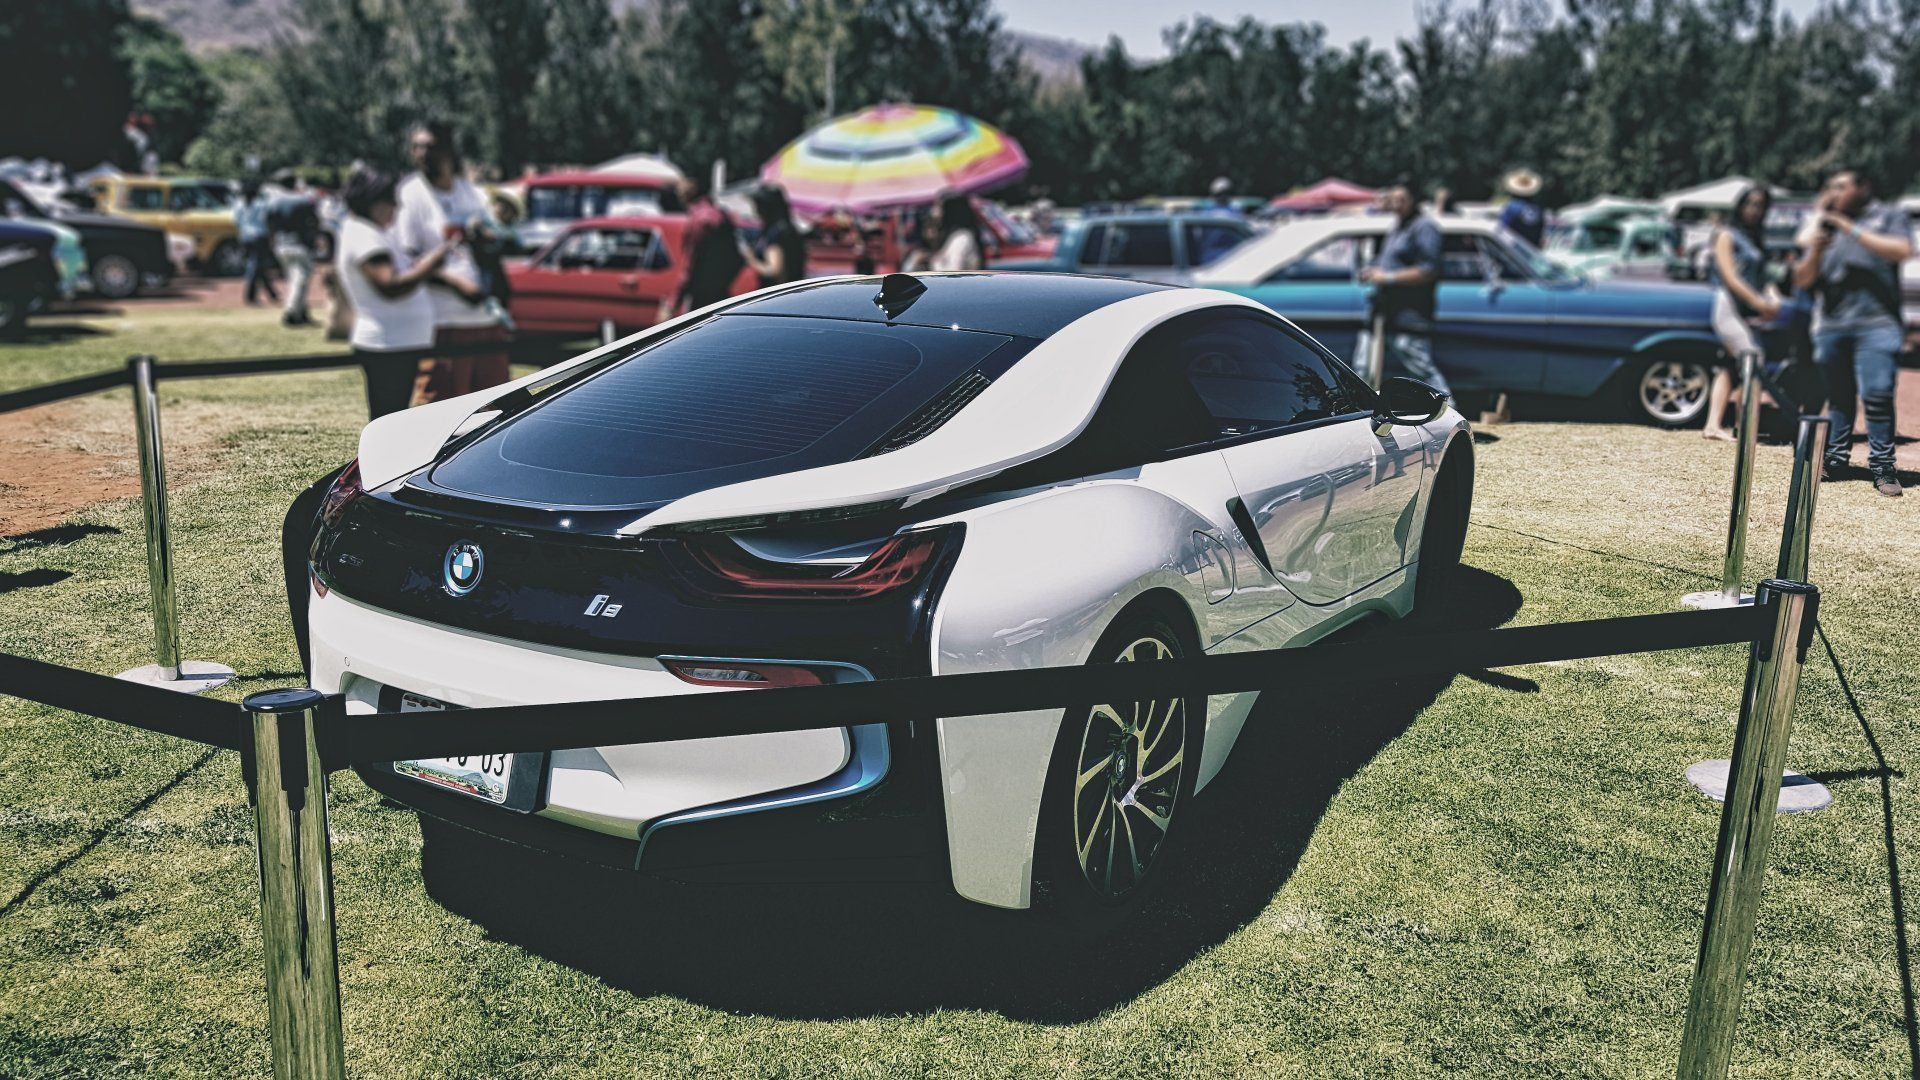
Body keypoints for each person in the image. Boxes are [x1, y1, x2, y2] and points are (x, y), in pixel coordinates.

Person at [1793, 166, 1913, 496]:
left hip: (1877, 324)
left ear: (1863, 188)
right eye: (1830, 187)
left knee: (1877, 394)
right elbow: (1802, 279)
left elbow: (1902, 251)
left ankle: (1883, 467)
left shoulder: (1887, 216)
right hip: (1831, 325)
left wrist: (1850, 228)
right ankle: (1835, 461)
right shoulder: (1821, 223)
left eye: (1841, 186)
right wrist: (1818, 247)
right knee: (1839, 397)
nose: (1834, 193)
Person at [395, 121, 510, 404]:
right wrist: (454, 283)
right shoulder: (410, 195)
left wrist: (488, 242)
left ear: (448, 151)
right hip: (442, 323)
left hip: (486, 319)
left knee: (494, 411)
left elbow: (495, 242)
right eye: (416, 147)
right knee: (439, 411)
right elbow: (406, 261)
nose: (422, 154)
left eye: (430, 147)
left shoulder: (471, 193)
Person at [335, 169, 448, 419]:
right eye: (391, 200)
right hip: (387, 344)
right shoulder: (363, 235)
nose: (397, 207)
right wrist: (432, 263)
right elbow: (390, 286)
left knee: (391, 417)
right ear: (372, 201)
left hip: (394, 341)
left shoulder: (370, 232)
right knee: (387, 418)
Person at [1702, 184, 1781, 440]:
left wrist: (1773, 298)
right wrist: (1758, 303)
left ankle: (1713, 426)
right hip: (1726, 304)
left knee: (1728, 365)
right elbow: (1730, 277)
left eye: (1761, 205)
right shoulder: (1726, 234)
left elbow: (1764, 279)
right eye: (1750, 204)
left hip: (1746, 308)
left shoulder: (1755, 238)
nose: (1755, 210)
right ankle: (1745, 428)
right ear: (1740, 205)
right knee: (1753, 359)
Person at [1355, 183, 1448, 396]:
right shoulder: (1397, 226)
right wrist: (1371, 271)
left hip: (1409, 315)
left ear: (1414, 200)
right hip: (1382, 311)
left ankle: (1448, 410)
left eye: (1402, 199)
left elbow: (1429, 270)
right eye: (1394, 199)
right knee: (1363, 368)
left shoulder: (1424, 227)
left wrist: (1388, 277)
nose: (1396, 204)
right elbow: (1388, 261)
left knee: (1422, 371)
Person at [665, 175, 745, 317]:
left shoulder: (701, 220)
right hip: (720, 293)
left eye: (682, 183)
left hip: (702, 298)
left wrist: (673, 303)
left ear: (692, 186)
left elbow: (691, 266)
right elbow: (737, 259)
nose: (677, 189)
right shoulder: (721, 214)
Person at [267, 183, 321, 327]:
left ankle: (302, 312)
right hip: (300, 244)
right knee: (300, 280)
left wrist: (272, 241)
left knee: (294, 279)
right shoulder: (304, 200)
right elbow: (315, 221)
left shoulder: (274, 202)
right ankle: (291, 312)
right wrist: (315, 239)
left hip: (281, 244)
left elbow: (269, 223)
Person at [740, 183, 807, 288]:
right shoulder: (785, 228)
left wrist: (751, 259)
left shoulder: (778, 233)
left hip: (780, 292)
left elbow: (773, 271)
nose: (756, 209)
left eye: (759, 204)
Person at [236, 179, 279, 306]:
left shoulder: (239, 205)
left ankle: (272, 294)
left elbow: (236, 221)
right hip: (260, 236)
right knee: (256, 267)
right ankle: (250, 296)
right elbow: (267, 220)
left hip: (245, 237)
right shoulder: (261, 205)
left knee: (259, 266)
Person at [925, 190, 985, 272]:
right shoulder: (957, 236)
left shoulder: (962, 238)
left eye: (939, 206)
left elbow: (953, 272)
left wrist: (933, 262)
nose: (935, 211)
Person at [1497, 168, 1546, 249]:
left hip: (1514, 250)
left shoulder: (1511, 207)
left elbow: (1502, 231)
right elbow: (1541, 231)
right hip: (1532, 252)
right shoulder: (1538, 208)